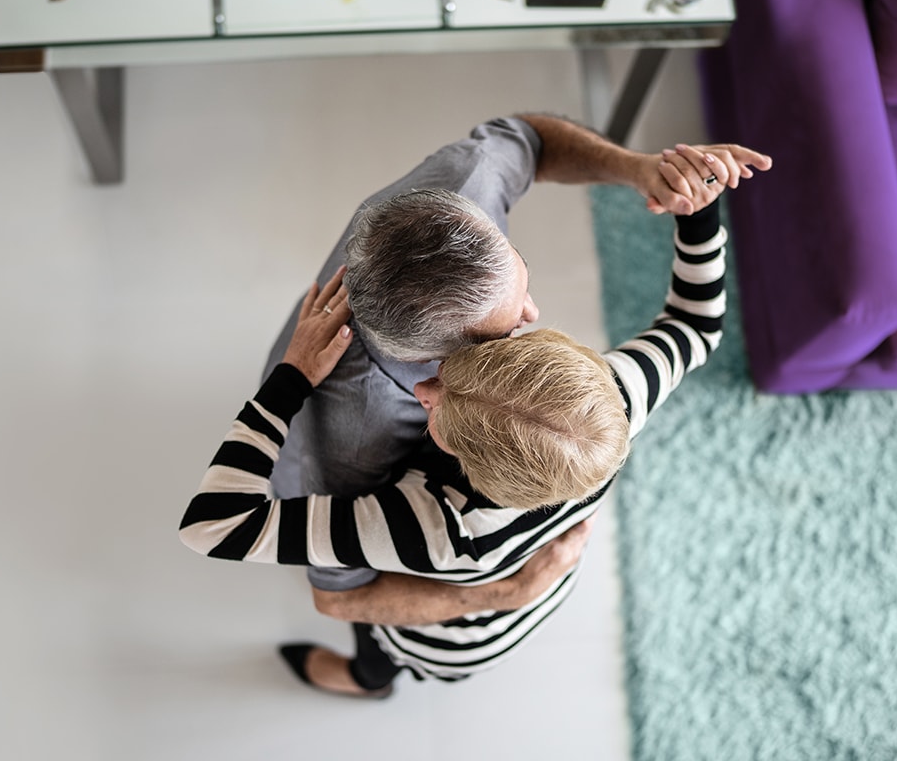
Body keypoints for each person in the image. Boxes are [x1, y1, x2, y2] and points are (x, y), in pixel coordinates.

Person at [180, 143, 771, 696]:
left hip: (453, 638)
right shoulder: (615, 394)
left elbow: (213, 526)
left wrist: (292, 379)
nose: (426, 390)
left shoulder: (433, 526)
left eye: (436, 406)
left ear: (465, 465)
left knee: (381, 646)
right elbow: (697, 325)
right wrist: (700, 213)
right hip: (554, 577)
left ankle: (368, 678)